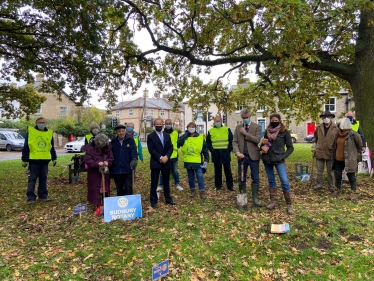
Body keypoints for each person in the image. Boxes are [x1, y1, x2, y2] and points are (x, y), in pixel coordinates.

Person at [260, 113, 294, 214]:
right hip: (267, 159)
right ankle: (274, 201)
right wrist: (262, 147)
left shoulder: (285, 132)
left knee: (284, 180)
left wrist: (282, 156)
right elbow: (264, 144)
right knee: (271, 180)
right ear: (270, 121)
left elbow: (290, 148)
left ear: (279, 121)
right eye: (272, 121)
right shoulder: (266, 132)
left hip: (279, 160)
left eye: (276, 120)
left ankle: (289, 204)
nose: (274, 122)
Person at [22, 117, 57, 204]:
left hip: (45, 160)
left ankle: (43, 196)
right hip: (34, 160)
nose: (42, 124)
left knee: (43, 179)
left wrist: (54, 157)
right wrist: (24, 159)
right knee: (32, 179)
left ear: (46, 123)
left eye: (43, 122)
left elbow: (51, 146)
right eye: (40, 122)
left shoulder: (49, 133)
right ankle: (31, 198)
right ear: (36, 123)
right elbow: (26, 146)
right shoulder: (31, 132)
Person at [232, 108, 262, 206]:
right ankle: (242, 199)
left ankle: (255, 198)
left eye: (247, 117)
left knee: (255, 178)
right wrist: (237, 152)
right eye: (243, 118)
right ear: (241, 117)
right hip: (242, 157)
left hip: (254, 157)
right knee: (241, 178)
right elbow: (234, 142)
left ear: (250, 116)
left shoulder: (257, 127)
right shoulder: (238, 127)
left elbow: (257, 140)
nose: (245, 119)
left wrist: (246, 134)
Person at [147, 118, 177, 208]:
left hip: (166, 161)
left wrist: (166, 157)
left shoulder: (167, 135)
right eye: (157, 124)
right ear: (154, 125)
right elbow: (151, 149)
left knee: (166, 181)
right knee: (154, 182)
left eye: (160, 124)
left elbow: (170, 147)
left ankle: (168, 199)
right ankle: (153, 200)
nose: (159, 125)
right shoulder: (150, 136)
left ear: (163, 124)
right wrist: (160, 157)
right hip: (156, 162)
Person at [332, 118, 362, 200]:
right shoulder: (337, 134)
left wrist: (355, 156)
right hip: (338, 158)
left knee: (351, 175)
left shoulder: (354, 134)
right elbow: (334, 146)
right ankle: (337, 189)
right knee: (337, 175)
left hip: (349, 159)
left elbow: (360, 147)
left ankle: (353, 191)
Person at [178, 122, 209, 199]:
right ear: (187, 128)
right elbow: (178, 143)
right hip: (188, 161)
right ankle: (193, 191)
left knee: (200, 176)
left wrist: (206, 159)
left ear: (195, 128)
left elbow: (205, 149)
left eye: (192, 127)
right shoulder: (185, 137)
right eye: (189, 127)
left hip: (198, 161)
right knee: (190, 177)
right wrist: (185, 134)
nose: (191, 128)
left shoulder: (200, 137)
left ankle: (202, 192)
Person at [84, 133, 114, 216]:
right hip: (94, 173)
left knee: (105, 188)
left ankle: (105, 203)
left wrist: (108, 162)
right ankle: (98, 204)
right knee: (96, 188)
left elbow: (111, 157)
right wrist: (97, 163)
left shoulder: (107, 147)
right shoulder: (90, 148)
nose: (100, 148)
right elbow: (87, 160)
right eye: (98, 146)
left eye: (102, 146)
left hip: (105, 173)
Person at [206, 115, 234, 191]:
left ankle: (230, 186)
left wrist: (229, 150)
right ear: (214, 122)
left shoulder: (227, 129)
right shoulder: (211, 131)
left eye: (219, 121)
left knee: (227, 171)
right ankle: (218, 186)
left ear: (221, 121)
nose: (217, 122)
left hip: (225, 153)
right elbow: (208, 142)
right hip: (216, 153)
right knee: (217, 171)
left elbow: (231, 140)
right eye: (216, 121)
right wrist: (212, 150)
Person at [313, 110, 339, 193]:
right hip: (320, 151)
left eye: (328, 117)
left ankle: (331, 186)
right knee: (319, 171)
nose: (326, 118)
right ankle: (318, 185)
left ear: (331, 118)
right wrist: (315, 146)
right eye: (324, 117)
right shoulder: (318, 127)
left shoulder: (336, 128)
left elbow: (337, 140)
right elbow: (316, 138)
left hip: (330, 153)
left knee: (330, 171)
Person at [157, 119, 183, 192]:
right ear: (164, 124)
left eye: (169, 123)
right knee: (163, 171)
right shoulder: (162, 133)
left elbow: (178, 142)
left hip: (174, 155)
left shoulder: (175, 132)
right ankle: (161, 185)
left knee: (175, 171)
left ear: (172, 124)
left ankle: (177, 184)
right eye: (167, 123)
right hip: (165, 156)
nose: (168, 124)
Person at [111, 124, 138, 196]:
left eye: (123, 131)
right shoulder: (113, 142)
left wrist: (134, 159)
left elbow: (133, 151)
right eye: (119, 131)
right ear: (116, 132)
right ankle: (121, 205)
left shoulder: (130, 140)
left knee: (128, 187)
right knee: (119, 189)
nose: (121, 133)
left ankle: (129, 204)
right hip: (116, 169)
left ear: (125, 131)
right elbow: (110, 154)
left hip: (127, 168)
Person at [342, 112, 366, 183]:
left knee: (352, 162)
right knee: (344, 161)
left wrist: (363, 146)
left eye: (351, 116)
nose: (349, 117)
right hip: (344, 145)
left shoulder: (357, 124)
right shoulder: (342, 124)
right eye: (348, 116)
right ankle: (344, 178)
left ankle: (351, 178)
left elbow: (361, 136)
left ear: (354, 117)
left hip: (354, 146)